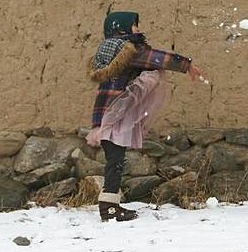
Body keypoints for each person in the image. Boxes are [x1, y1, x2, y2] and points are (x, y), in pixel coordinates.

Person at [86, 11, 203, 221]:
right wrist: (187, 65)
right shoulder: (126, 50)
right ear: (121, 28)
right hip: (115, 112)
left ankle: (110, 206)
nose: (137, 30)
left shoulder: (108, 48)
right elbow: (156, 58)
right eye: (134, 26)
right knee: (115, 162)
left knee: (115, 160)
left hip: (106, 112)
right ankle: (109, 209)